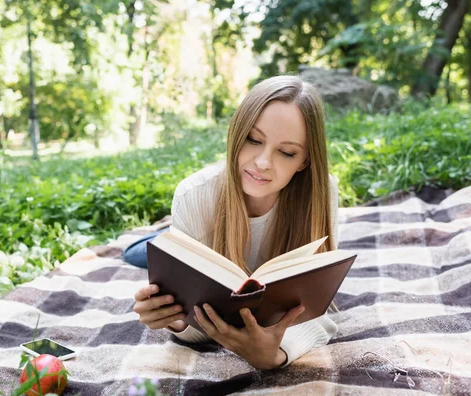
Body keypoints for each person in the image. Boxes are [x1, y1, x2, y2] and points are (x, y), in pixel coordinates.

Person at [129, 75, 339, 370]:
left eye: (287, 152)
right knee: (138, 252)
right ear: (236, 134)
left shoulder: (321, 192)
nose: (263, 162)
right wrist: (174, 320)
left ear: (304, 161)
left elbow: (320, 314)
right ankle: (154, 237)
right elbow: (194, 328)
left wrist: (276, 354)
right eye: (254, 140)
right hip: (201, 217)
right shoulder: (193, 195)